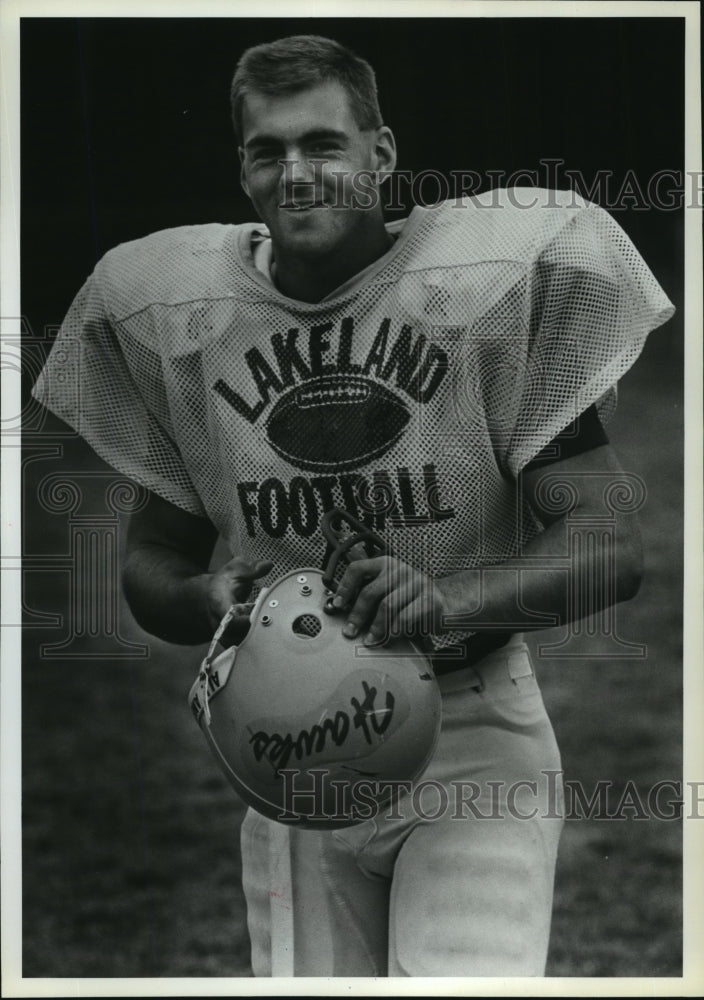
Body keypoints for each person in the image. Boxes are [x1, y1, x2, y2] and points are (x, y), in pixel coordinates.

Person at [32, 34, 675, 977]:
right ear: (243, 171)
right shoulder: (188, 317)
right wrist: (209, 600)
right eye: (268, 151)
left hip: (472, 729)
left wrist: (446, 602)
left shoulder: (477, 284)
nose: (297, 174)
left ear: (381, 154)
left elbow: (611, 542)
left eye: (324, 145)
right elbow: (150, 567)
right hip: (287, 742)